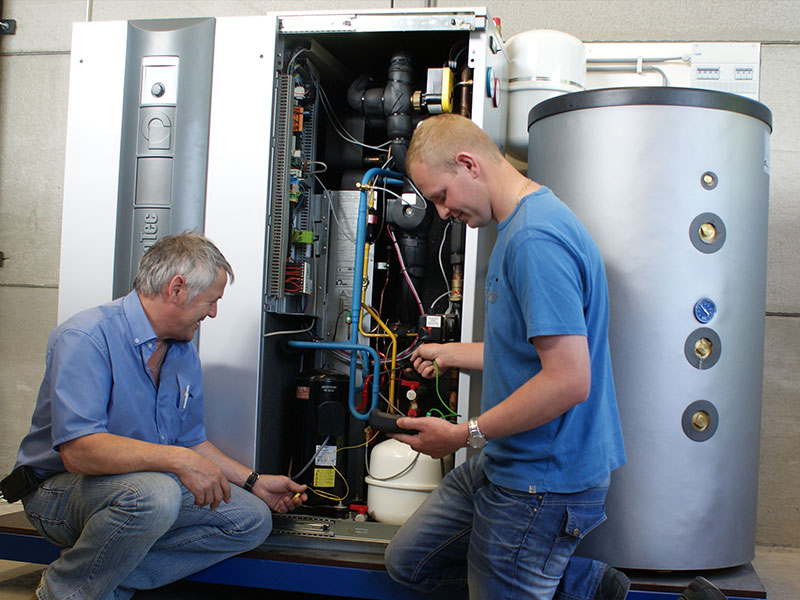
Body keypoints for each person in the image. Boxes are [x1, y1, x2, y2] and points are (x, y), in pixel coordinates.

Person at [384, 114, 727, 600]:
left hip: (541, 482)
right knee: (409, 563)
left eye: (441, 196)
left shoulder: (534, 241)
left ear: (468, 164)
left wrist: (464, 434)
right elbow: (533, 352)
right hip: (511, 461)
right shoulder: (522, 224)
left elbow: (567, 380)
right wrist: (450, 354)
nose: (441, 213)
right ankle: (584, 588)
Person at [10, 232, 307, 600]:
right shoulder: (86, 337)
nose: (213, 313)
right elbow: (79, 452)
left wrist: (253, 481)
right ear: (177, 289)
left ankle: (98, 582)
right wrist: (179, 461)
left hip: (137, 491)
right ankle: (64, 594)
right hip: (57, 492)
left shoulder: (181, 351)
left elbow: (190, 441)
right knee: (155, 493)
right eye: (211, 301)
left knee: (248, 519)